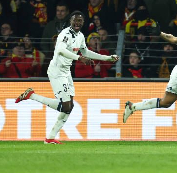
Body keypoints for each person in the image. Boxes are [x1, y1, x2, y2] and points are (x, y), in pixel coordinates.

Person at [14, 11, 119, 144]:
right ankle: (32, 96)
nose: (77, 23)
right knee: (66, 106)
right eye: (75, 20)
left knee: (69, 106)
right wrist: (79, 58)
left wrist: (107, 58)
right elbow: (61, 50)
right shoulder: (65, 34)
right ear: (70, 21)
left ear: (83, 23)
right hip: (57, 71)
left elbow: (85, 51)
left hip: (66, 72)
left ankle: (50, 138)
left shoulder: (80, 35)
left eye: (80, 21)